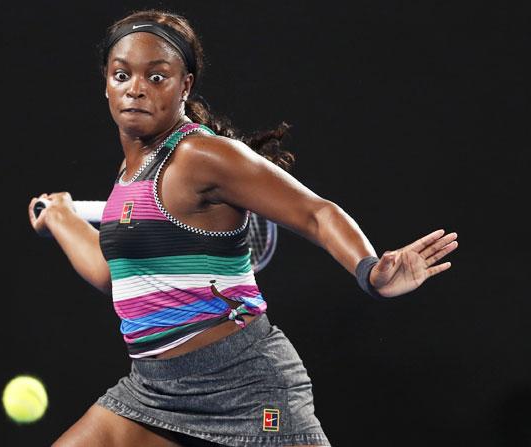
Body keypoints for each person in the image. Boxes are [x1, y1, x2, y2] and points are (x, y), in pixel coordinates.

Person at [28, 9, 458, 447]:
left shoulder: (202, 157)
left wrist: (369, 270)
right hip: (154, 391)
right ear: (106, 84)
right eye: (122, 75)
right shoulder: (129, 174)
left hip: (245, 386)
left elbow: (316, 213)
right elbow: (112, 276)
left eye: (156, 77)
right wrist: (61, 219)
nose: (136, 88)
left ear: (185, 86)